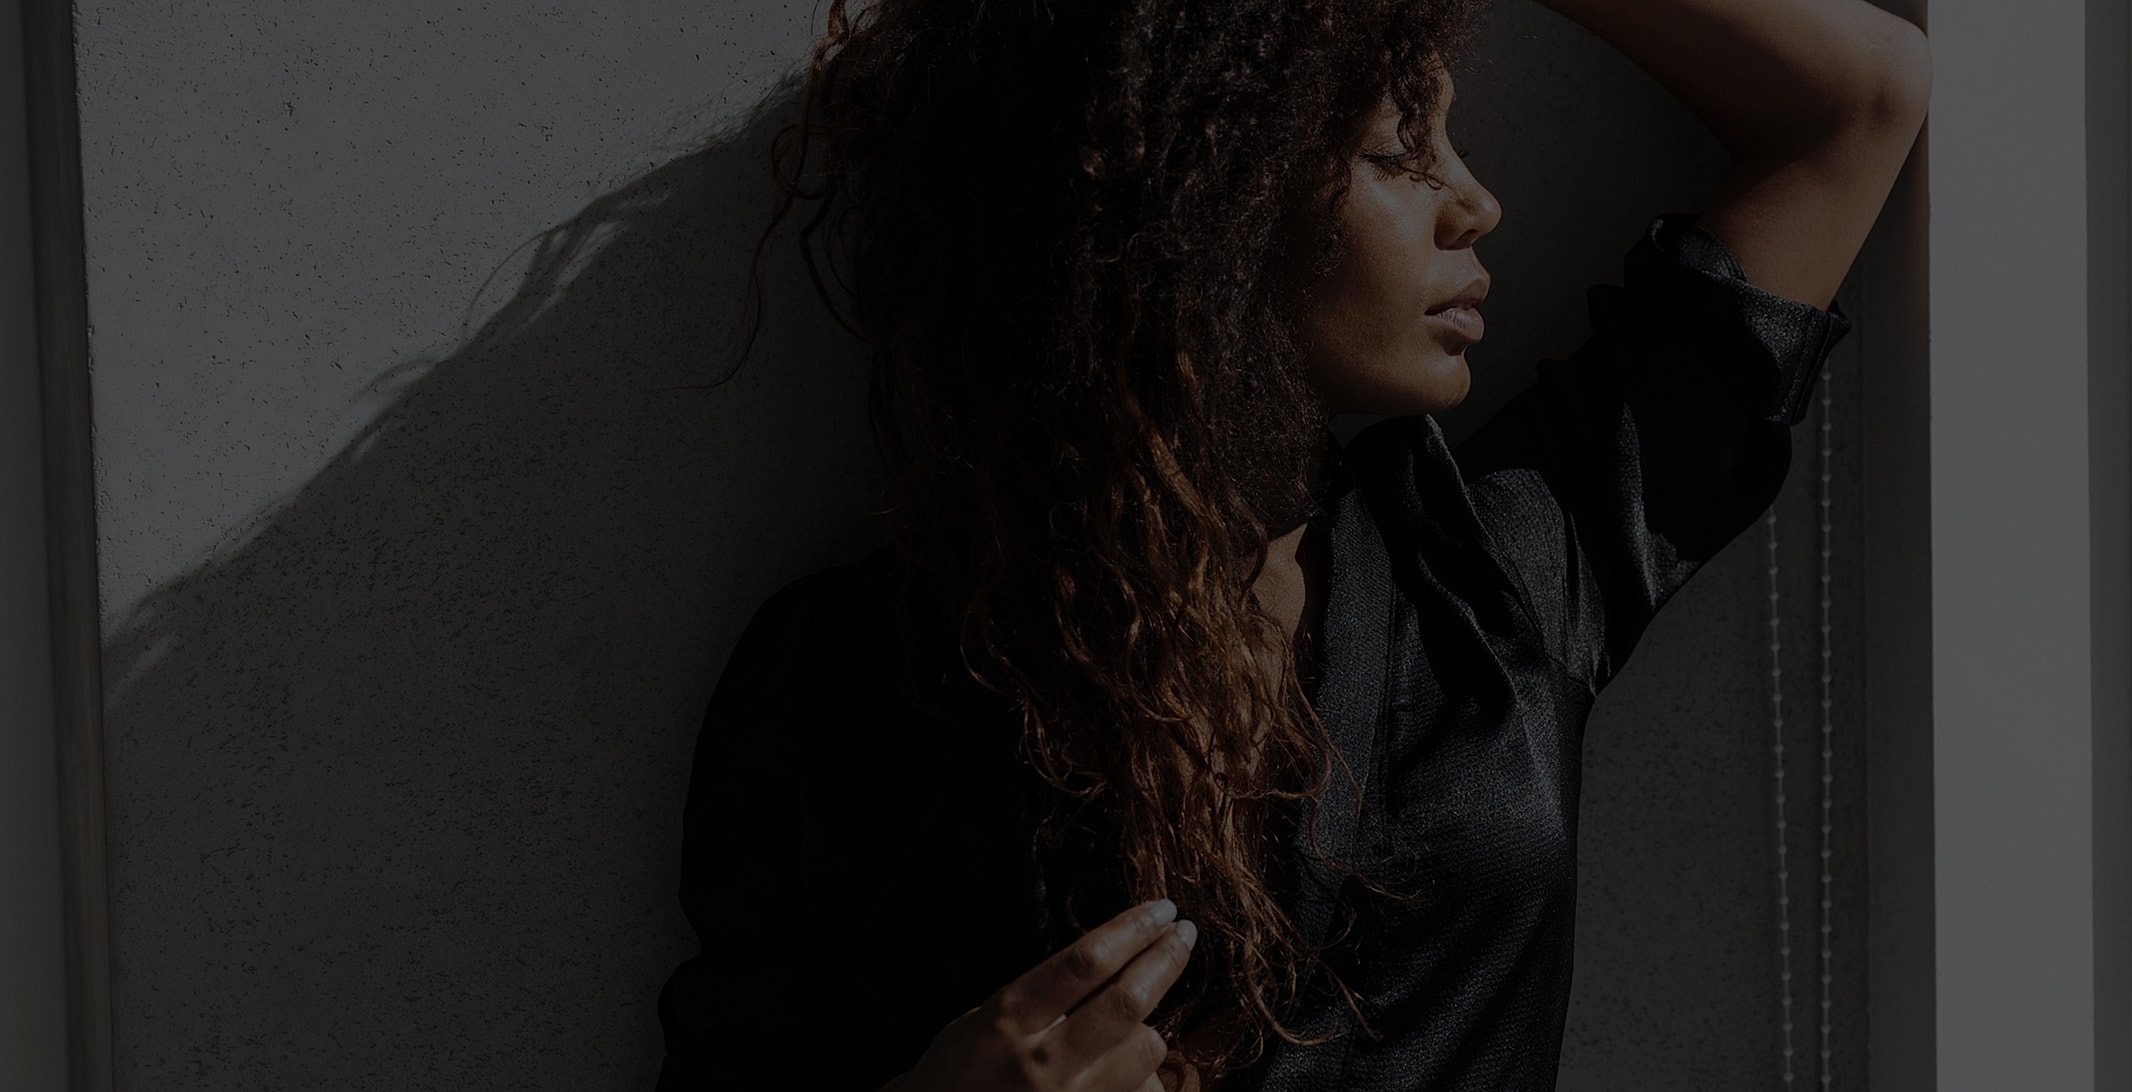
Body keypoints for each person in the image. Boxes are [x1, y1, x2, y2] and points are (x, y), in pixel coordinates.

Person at [654, 0, 1928, 1088]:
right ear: (1209, 194)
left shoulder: (1503, 578)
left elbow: (1856, 104)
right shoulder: (852, 679)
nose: (1476, 201)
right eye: (1400, 149)